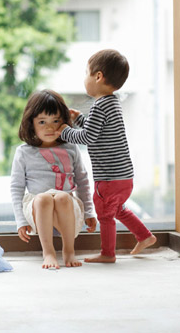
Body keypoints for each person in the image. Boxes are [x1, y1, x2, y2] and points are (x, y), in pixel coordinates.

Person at [58, 49, 156, 263]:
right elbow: (99, 132)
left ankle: (108, 254)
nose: (85, 78)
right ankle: (145, 236)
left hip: (109, 179)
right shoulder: (112, 104)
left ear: (98, 76)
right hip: (124, 177)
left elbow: (88, 138)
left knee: (105, 214)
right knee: (118, 209)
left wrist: (65, 130)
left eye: (86, 73)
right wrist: (80, 119)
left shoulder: (99, 106)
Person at [10, 89, 97, 269]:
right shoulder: (23, 152)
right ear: (31, 123)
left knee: (63, 196)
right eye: (42, 122)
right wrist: (20, 220)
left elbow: (82, 182)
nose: (49, 127)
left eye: (55, 121)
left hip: (67, 207)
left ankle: (69, 251)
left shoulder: (71, 148)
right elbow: (17, 187)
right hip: (37, 208)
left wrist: (89, 212)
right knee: (43, 198)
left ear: (64, 121)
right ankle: (48, 252)